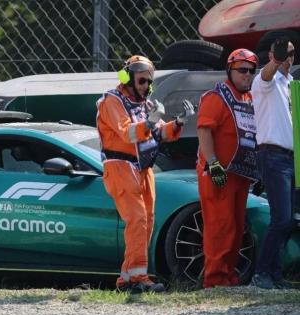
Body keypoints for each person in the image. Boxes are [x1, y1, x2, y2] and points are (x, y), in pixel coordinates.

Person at [96, 55, 194, 293]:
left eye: (148, 82)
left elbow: (161, 134)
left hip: (143, 167)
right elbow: (127, 134)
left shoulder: (145, 104)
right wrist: (149, 123)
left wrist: (179, 122)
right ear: (128, 78)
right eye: (141, 81)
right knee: (138, 219)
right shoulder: (112, 100)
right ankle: (136, 279)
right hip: (121, 165)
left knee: (147, 221)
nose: (146, 87)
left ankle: (130, 278)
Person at [196, 48, 262, 289]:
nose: (248, 75)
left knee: (235, 226)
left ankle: (228, 276)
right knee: (220, 225)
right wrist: (213, 163)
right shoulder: (216, 97)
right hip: (218, 173)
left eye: (251, 71)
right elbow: (204, 130)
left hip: (240, 173)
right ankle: (214, 281)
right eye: (242, 70)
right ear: (230, 71)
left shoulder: (248, 99)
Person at [250, 37, 296, 289]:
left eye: (291, 54)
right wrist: (276, 61)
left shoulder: (291, 85)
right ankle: (262, 273)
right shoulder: (265, 81)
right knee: (281, 219)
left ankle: (275, 275)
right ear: (272, 56)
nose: (288, 58)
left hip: (290, 158)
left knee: (286, 219)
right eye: (282, 53)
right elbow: (266, 76)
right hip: (273, 155)